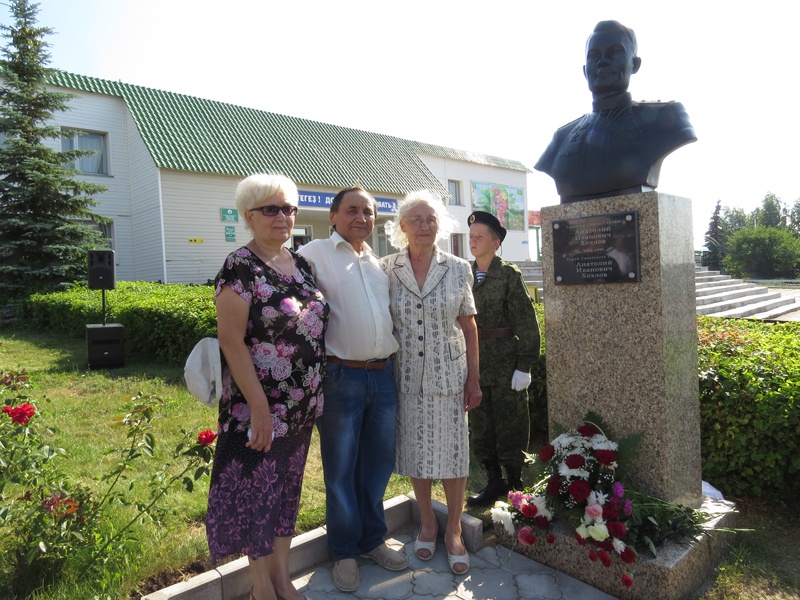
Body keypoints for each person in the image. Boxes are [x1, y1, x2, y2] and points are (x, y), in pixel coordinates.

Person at [207, 174, 329, 600]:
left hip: (302, 407)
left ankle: (282, 577)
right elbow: (230, 340)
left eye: (290, 209)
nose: (284, 217)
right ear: (249, 216)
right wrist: (260, 408)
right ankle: (262, 587)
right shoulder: (240, 265)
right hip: (257, 409)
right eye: (272, 209)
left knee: (286, 494)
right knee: (258, 497)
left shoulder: (302, 264)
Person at [298, 187, 407, 592]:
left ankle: (372, 540)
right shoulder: (313, 256)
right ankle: (344, 550)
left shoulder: (378, 265)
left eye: (368, 211)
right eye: (351, 210)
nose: (361, 217)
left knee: (378, 464)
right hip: (340, 377)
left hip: (382, 376)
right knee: (341, 470)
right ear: (333, 216)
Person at [380, 190, 481, 575]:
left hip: (450, 376)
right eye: (417, 220)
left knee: (454, 454)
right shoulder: (387, 268)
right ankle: (427, 522)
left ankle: (453, 528)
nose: (425, 226)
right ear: (402, 226)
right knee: (416, 452)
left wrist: (474, 379)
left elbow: (469, 326)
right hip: (405, 377)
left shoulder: (457, 267)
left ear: (439, 225)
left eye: (431, 219)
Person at [535, 20, 697, 203]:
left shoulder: (668, 117)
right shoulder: (561, 138)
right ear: (584, 71)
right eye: (594, 55)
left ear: (635, 64)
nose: (602, 61)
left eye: (614, 52)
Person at [465, 211, 541, 507]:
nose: (473, 241)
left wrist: (525, 365)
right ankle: (493, 480)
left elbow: (526, 321)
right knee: (481, 425)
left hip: (506, 362)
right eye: (471, 237)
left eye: (479, 237)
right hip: (476, 362)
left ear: (496, 243)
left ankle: (515, 480)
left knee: (511, 424)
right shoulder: (464, 275)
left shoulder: (509, 275)